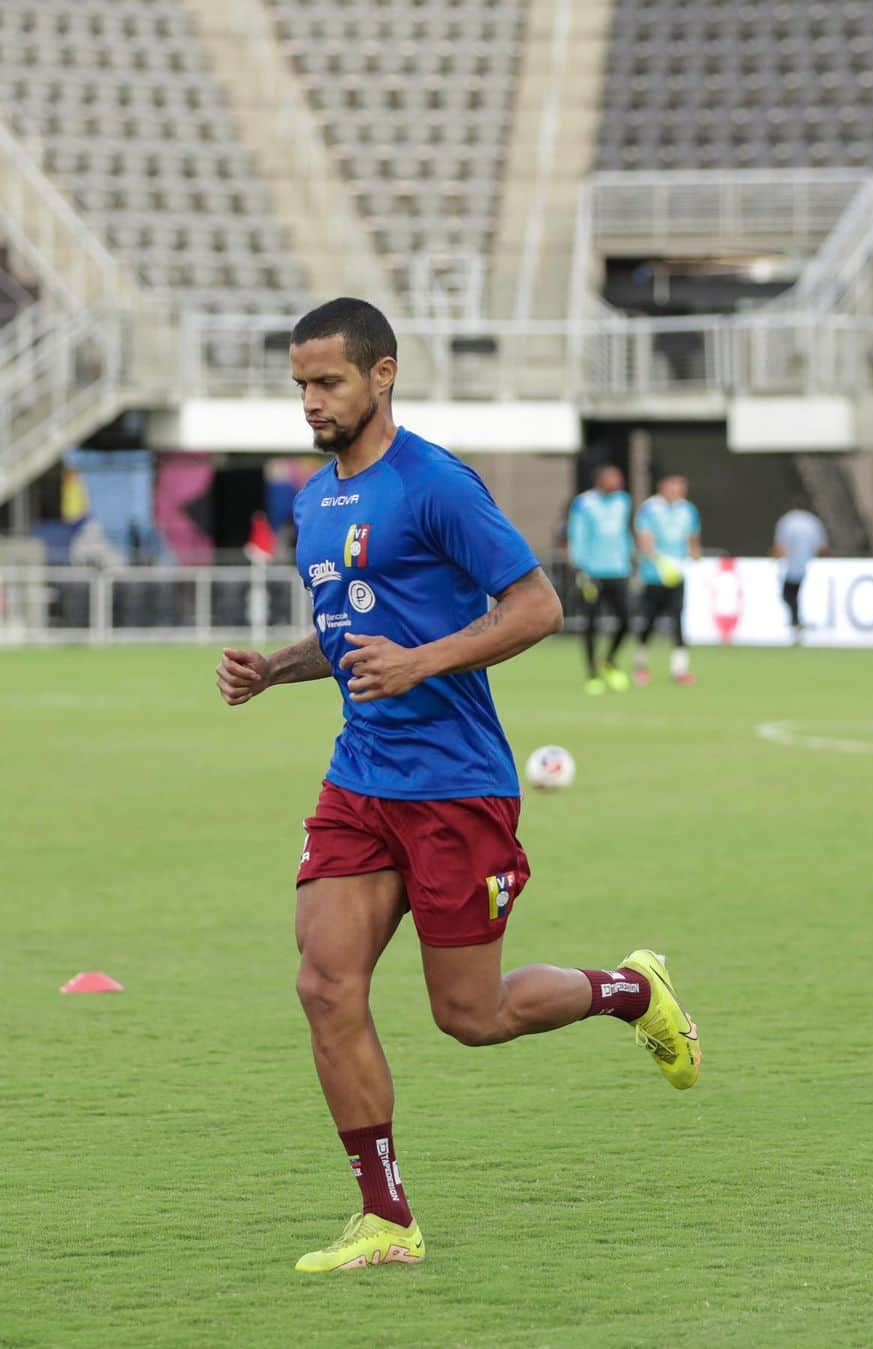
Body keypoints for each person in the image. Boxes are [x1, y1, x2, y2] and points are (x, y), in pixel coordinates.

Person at [215, 298, 700, 1275]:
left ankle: (631, 988)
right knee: (324, 982)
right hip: (360, 777)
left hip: (455, 787)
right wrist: (276, 667)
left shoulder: (436, 485)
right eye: (301, 384)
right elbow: (351, 633)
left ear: (382, 375)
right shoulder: (315, 500)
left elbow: (538, 606)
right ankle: (385, 1216)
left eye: (329, 382)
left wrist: (425, 661)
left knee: (469, 1016)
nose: (310, 401)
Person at [566, 464, 634, 694]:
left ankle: (610, 661)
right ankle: (592, 674)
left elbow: (623, 531)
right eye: (612, 478)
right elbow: (577, 535)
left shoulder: (623, 501)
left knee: (627, 620)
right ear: (600, 480)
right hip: (592, 571)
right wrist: (580, 568)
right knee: (591, 623)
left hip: (618, 570)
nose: (617, 482)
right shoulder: (584, 503)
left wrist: (630, 555)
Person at [633, 473, 702, 686]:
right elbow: (644, 540)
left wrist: (694, 555)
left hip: (677, 576)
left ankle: (679, 669)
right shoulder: (649, 509)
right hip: (654, 575)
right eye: (674, 486)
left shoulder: (688, 510)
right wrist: (662, 562)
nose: (678, 491)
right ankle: (641, 665)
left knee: (678, 620)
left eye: (682, 487)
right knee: (649, 621)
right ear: (663, 487)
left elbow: (693, 539)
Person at [772, 498, 828, 640]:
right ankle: (798, 622)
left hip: (793, 566)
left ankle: (796, 621)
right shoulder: (813, 521)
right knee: (795, 594)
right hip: (810, 564)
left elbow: (781, 546)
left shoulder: (787, 521)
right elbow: (821, 546)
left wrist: (775, 557)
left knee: (788, 594)